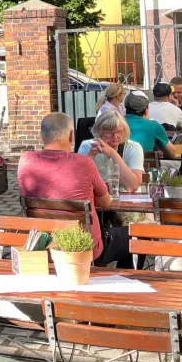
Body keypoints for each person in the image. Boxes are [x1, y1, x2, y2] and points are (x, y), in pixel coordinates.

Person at [17, 113, 134, 268]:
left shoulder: (25, 160)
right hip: (84, 250)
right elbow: (106, 202)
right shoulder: (84, 162)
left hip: (43, 245)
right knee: (133, 235)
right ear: (71, 135)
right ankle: (119, 283)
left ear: (41, 137)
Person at [77, 110, 144, 195]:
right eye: (109, 132)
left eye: (119, 132)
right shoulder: (87, 146)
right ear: (99, 131)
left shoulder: (134, 147)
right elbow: (78, 182)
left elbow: (132, 186)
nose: (115, 136)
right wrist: (90, 157)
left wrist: (113, 154)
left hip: (127, 197)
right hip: (98, 196)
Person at [125, 93, 181, 159]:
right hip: (146, 166)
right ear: (146, 110)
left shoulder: (116, 122)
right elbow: (172, 153)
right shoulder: (153, 125)